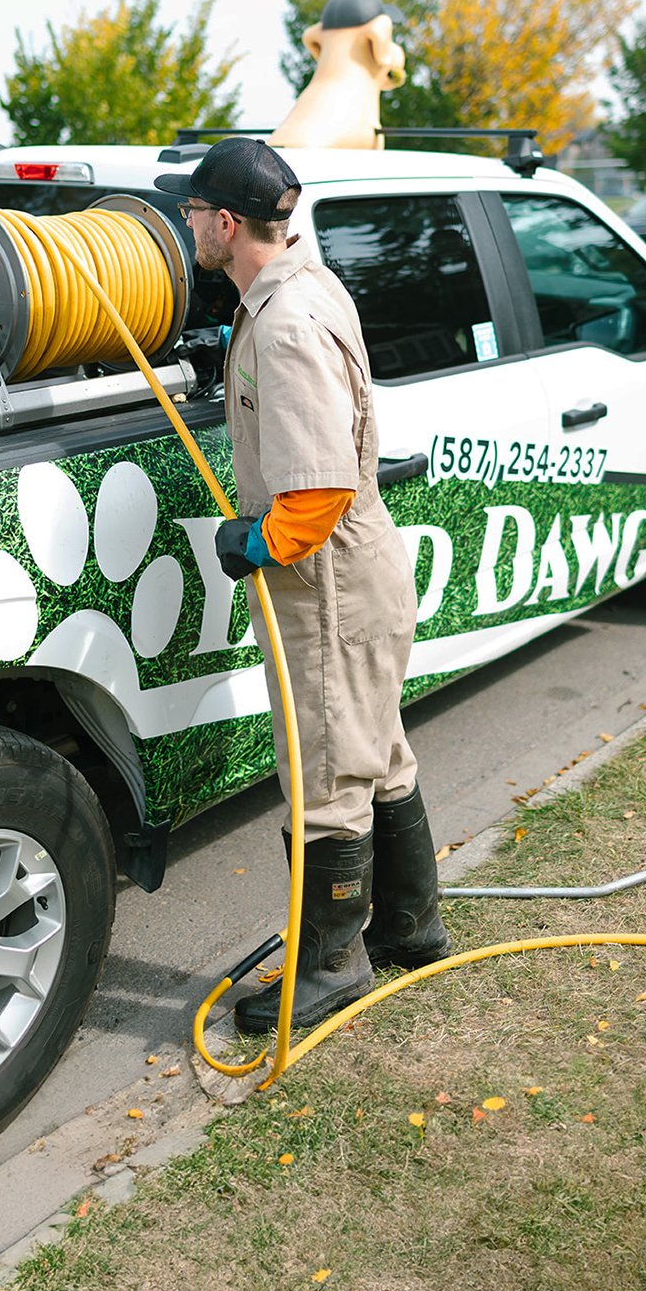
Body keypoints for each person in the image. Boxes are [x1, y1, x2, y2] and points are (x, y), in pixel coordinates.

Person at [154, 138, 450, 1033]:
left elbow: (315, 491)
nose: (186, 221)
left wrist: (257, 540)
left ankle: (331, 965)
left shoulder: (282, 326)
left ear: (228, 222)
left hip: (325, 583)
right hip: (355, 571)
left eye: (194, 210)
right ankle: (411, 926)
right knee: (376, 753)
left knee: (324, 776)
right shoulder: (297, 286)